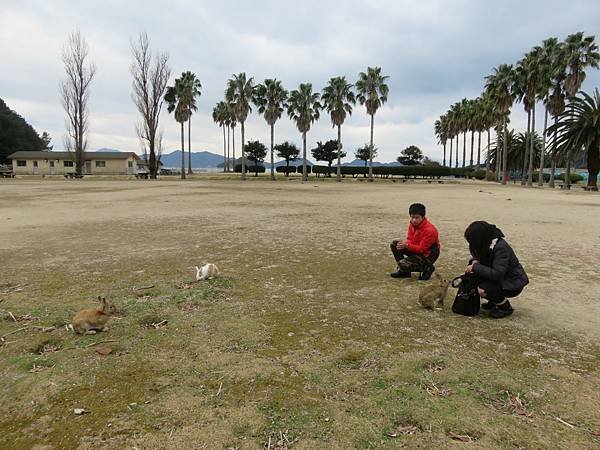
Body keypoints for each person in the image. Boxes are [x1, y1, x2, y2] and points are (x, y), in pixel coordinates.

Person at [464, 221, 529, 319]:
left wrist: (475, 267)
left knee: (482, 289)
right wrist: (474, 262)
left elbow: (497, 274)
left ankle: (505, 307)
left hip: (512, 282)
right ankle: (494, 301)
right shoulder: (485, 243)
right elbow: (480, 259)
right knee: (472, 279)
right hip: (500, 278)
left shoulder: (501, 247)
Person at [390, 203, 440, 280]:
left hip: (427, 255)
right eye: (412, 217)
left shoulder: (430, 230)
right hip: (417, 249)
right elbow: (410, 239)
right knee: (395, 244)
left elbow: (421, 249)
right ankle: (404, 272)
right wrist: (405, 244)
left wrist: (407, 246)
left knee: (403, 263)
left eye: (417, 217)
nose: (414, 220)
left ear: (423, 217)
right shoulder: (412, 225)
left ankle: (428, 268)